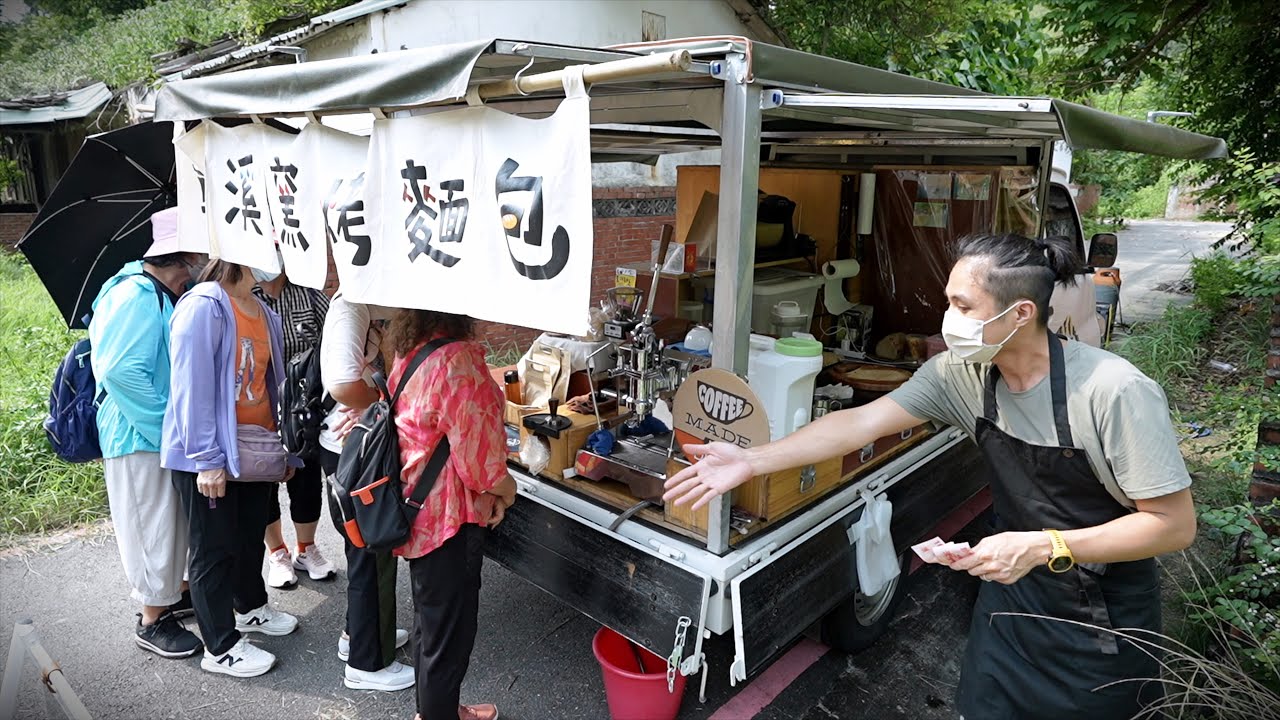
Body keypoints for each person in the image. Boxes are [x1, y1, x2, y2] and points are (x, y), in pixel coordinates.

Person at [665, 233, 1196, 720]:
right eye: (949, 302)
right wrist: (752, 460)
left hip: (1100, 621)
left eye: (963, 306)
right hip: (1010, 603)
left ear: (1020, 313)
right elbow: (858, 423)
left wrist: (1043, 545)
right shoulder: (960, 375)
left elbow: (1172, 526)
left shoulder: (1113, 391)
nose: (948, 318)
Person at [162, 258, 301, 678]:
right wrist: (207, 460)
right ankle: (219, 647)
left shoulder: (265, 312)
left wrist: (287, 452)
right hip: (208, 455)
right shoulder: (203, 306)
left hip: (253, 451)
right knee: (213, 549)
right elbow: (192, 386)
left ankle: (251, 609)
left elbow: (272, 387)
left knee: (246, 538)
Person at [385, 309, 517, 720]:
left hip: (417, 508)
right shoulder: (460, 359)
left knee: (430, 626)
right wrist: (507, 492)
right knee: (450, 637)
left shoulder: (411, 350)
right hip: (450, 518)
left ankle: (436, 711)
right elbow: (480, 463)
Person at [89, 207, 206, 659]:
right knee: (149, 523)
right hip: (137, 434)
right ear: (184, 257)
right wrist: (165, 430)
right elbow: (121, 372)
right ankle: (152, 619)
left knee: (169, 521)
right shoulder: (135, 295)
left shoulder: (155, 292)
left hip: (151, 431)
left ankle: (173, 595)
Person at [318, 290, 413, 692]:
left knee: (365, 555)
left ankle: (357, 635)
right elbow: (341, 382)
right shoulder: (351, 306)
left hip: (353, 445)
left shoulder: (366, 304)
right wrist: (380, 405)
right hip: (356, 449)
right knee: (372, 553)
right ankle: (368, 664)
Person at [251, 252, 336, 588]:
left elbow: (332, 342)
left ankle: (306, 547)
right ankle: (277, 552)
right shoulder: (245, 298)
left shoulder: (309, 292)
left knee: (306, 479)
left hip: (305, 404)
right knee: (263, 482)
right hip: (260, 405)